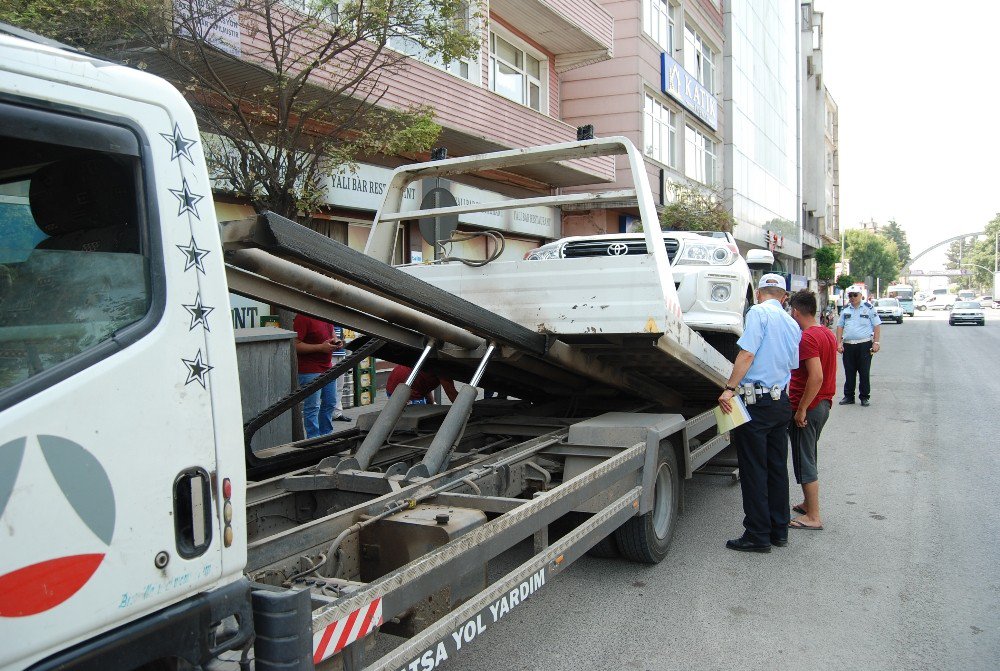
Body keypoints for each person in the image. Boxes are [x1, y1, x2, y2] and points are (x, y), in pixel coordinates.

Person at [718, 273, 801, 553]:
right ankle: (779, 530)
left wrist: (729, 388)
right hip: (781, 402)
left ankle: (757, 535)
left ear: (760, 293)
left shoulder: (757, 313)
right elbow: (792, 364)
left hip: (757, 403)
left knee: (754, 469)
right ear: (784, 297)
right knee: (777, 468)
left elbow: (747, 354)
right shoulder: (792, 323)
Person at [787, 290, 838, 531]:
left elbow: (816, 376)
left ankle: (814, 516)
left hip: (811, 406)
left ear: (796, 311)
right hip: (823, 404)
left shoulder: (807, 338)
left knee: (804, 459)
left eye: (791, 311)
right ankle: (808, 504)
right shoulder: (826, 333)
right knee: (810, 453)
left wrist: (801, 409)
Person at [294, 313, 350, 438]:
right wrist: (320, 347)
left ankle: (325, 435)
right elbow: (295, 345)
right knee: (313, 406)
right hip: (309, 368)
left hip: (327, 366)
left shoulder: (325, 314)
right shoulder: (303, 317)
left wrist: (336, 341)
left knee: (330, 402)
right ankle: (313, 438)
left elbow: (332, 334)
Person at [835, 289, 881, 406]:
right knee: (849, 372)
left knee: (864, 372)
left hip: (864, 344)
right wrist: (839, 343)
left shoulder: (869, 308)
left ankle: (864, 397)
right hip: (848, 344)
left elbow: (876, 325)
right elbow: (840, 326)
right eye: (850, 295)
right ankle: (849, 396)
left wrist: (876, 342)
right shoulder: (845, 309)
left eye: (855, 295)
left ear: (861, 296)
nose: (853, 297)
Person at [385, 365, 459, 405]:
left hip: (392, 384)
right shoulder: (443, 368)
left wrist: (431, 404)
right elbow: (451, 393)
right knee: (421, 417)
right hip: (406, 388)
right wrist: (467, 412)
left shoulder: (434, 359)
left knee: (401, 412)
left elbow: (424, 386)